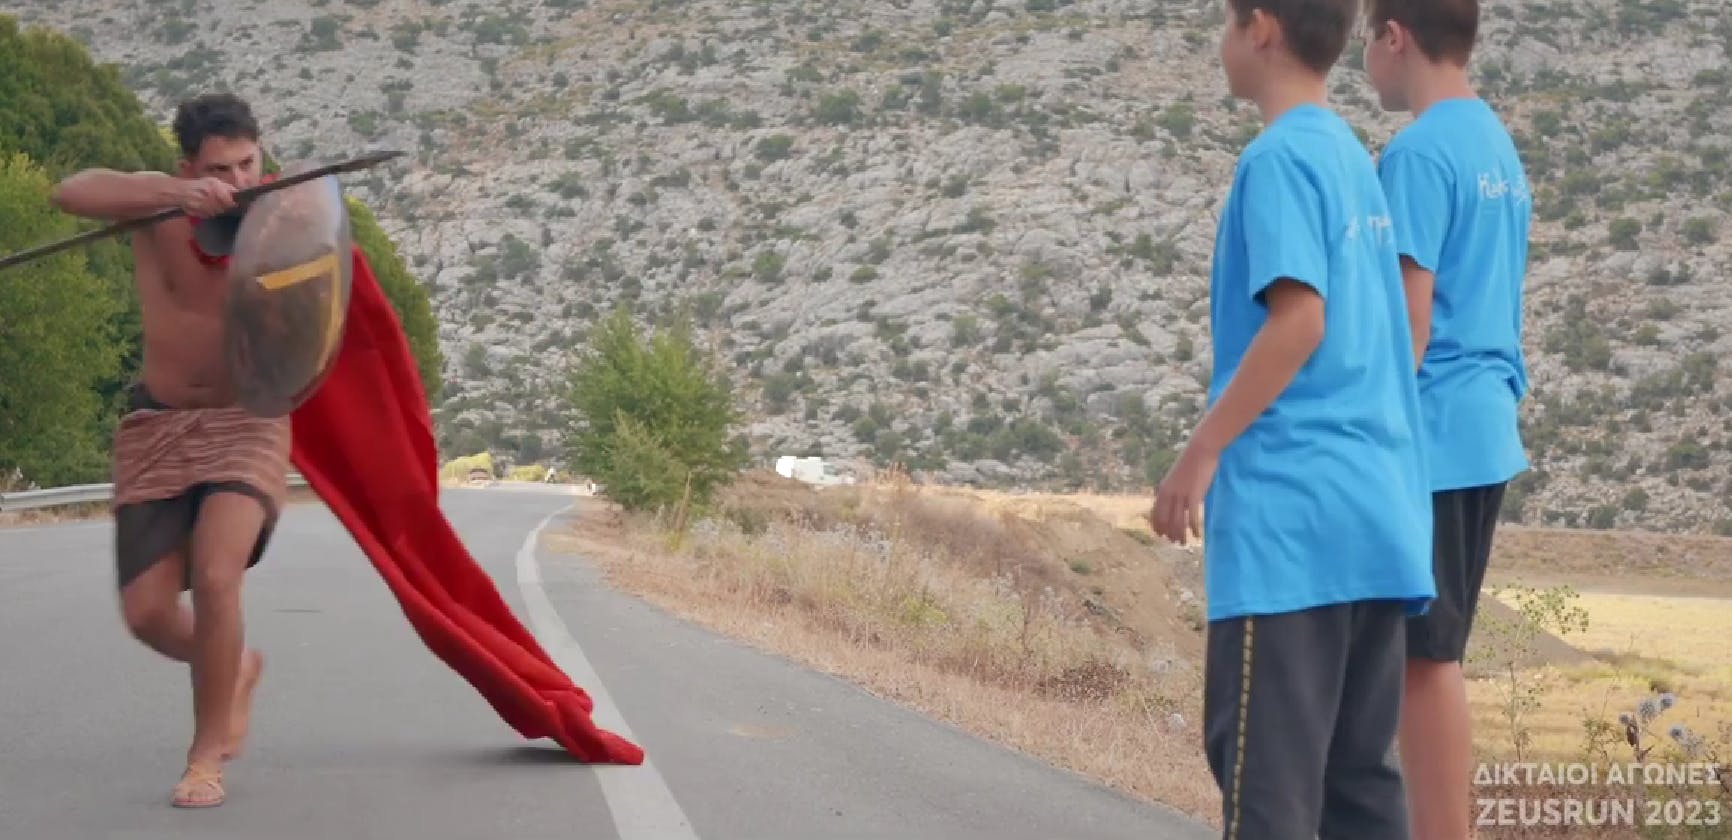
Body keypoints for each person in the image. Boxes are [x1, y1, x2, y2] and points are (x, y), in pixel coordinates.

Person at [1147, 0, 1436, 836]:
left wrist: (1200, 453)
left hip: (1292, 528)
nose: (1222, 40)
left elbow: (1299, 319)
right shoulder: (1352, 158)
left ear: (1262, 27)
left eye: (1227, 21)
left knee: (1268, 789)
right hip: (1378, 517)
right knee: (1357, 793)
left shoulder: (1275, 161)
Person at [51, 93, 279, 809]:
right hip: (158, 423)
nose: (237, 181)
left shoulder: (286, 217)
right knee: (147, 613)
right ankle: (234, 666)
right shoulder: (157, 206)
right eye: (219, 169)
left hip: (248, 421)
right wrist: (177, 197)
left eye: (247, 164)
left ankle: (205, 757)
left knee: (216, 576)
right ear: (189, 167)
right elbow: (71, 192)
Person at [1363, 1, 1532, 837]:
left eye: (1367, 41)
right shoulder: (1495, 144)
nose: (1365, 58)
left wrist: (1361, 435)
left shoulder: (1419, 153)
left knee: (1423, 659)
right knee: (1432, 654)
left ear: (1394, 36)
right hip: (1485, 429)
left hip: (1431, 439)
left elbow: (1409, 325)